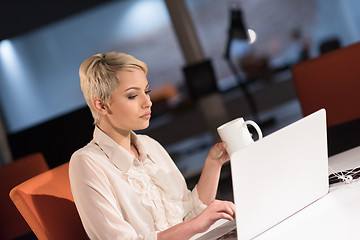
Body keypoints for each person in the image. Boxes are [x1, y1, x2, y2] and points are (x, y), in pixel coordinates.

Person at [69, 51, 235, 240]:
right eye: (132, 96)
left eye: (146, 91)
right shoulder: (87, 162)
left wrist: (214, 164)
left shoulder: (150, 145)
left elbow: (189, 215)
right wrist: (196, 225)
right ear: (101, 106)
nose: (148, 102)